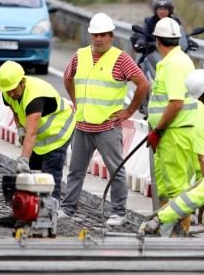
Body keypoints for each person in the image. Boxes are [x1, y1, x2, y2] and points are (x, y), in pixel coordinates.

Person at [62, 12, 150, 226]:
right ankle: (68, 208)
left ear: (111, 36)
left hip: (107, 128)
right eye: (95, 35)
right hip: (83, 125)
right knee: (75, 171)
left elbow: (143, 84)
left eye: (103, 35)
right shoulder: (80, 55)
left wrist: (128, 112)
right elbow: (67, 77)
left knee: (116, 171)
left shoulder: (120, 58)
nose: (98, 39)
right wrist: (76, 101)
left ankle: (119, 212)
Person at [145, 17, 200, 234]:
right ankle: (167, 228)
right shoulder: (181, 59)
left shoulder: (173, 64)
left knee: (176, 186)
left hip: (172, 132)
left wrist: (158, 130)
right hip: (175, 131)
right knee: (167, 185)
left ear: (157, 40)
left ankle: (181, 231)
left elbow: (176, 102)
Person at [0, 60, 76, 201]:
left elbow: (32, 133)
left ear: (22, 82)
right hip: (40, 137)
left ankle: (52, 207)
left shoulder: (35, 97)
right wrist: (19, 128)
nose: (11, 94)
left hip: (58, 133)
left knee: (49, 173)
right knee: (31, 170)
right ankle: (30, 205)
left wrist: (23, 159)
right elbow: (14, 109)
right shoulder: (8, 92)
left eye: (13, 89)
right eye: (7, 91)